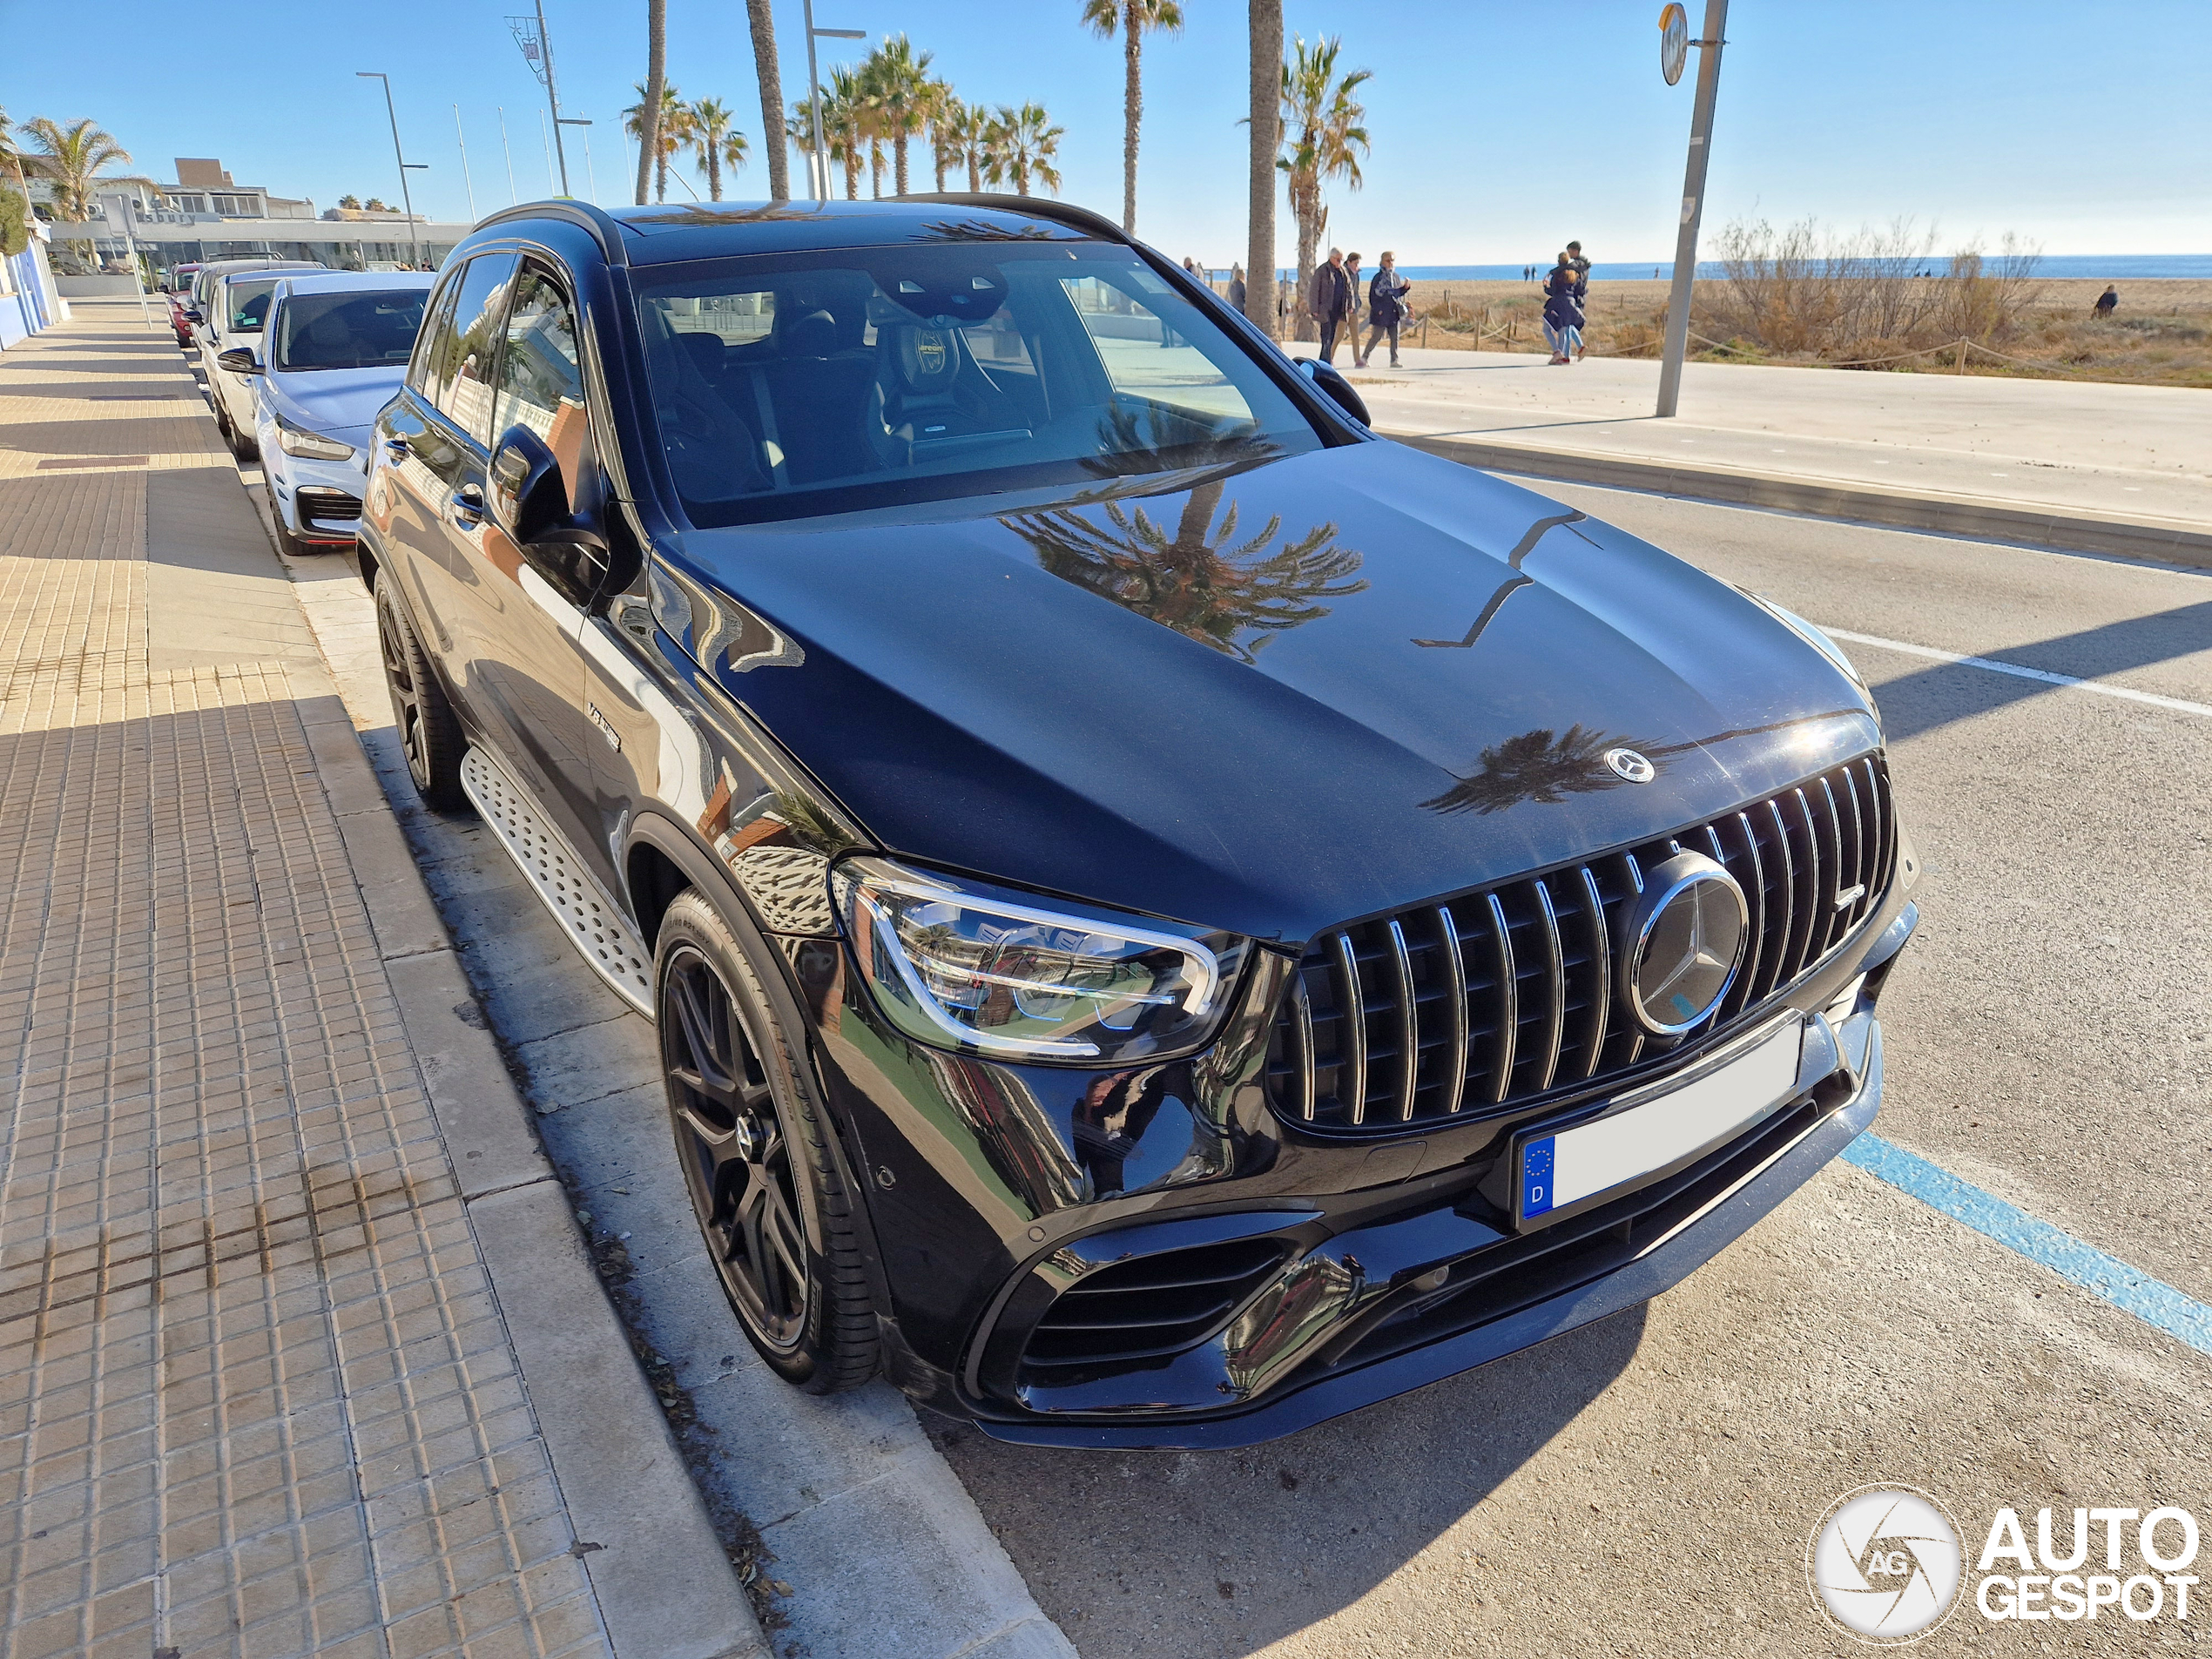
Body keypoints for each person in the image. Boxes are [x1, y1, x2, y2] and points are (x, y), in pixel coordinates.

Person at [1361, 250, 1413, 368]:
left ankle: (1394, 360)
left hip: (1393, 312)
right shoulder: (1378, 277)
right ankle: (1364, 357)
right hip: (1381, 313)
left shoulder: (1395, 276)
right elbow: (1373, 296)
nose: (1390, 263)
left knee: (1395, 337)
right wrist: (1378, 309)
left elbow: (1396, 293)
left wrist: (1405, 288)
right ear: (1382, 262)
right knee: (1376, 337)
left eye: (1392, 260)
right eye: (1388, 260)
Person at [1310, 247, 1352, 364]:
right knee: (1326, 335)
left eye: (1341, 259)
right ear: (1331, 258)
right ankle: (1326, 360)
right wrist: (1314, 309)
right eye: (1338, 259)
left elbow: (1349, 289)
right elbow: (1314, 290)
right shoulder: (1322, 270)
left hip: (1338, 308)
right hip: (1325, 309)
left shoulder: (1343, 271)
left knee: (1332, 334)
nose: (1340, 262)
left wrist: (1350, 305)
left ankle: (1325, 359)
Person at [1541, 252, 1583, 365]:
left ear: (1559, 261)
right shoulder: (1573, 274)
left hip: (1558, 303)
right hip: (1570, 304)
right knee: (1562, 331)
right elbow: (1578, 290)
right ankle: (1561, 357)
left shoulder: (1557, 275)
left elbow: (1553, 291)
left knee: (1546, 328)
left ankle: (1557, 352)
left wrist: (1546, 286)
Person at [1342, 253, 1365, 361]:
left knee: (1355, 335)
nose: (1357, 265)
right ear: (1349, 262)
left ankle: (1357, 360)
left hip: (1354, 309)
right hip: (1344, 310)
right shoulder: (1343, 273)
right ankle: (1329, 358)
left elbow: (1355, 291)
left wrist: (1357, 303)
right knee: (1339, 336)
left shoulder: (1356, 275)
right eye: (1355, 263)